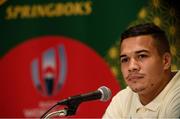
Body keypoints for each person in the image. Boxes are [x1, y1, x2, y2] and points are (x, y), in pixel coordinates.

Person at [103, 23, 180, 118]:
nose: (131, 67)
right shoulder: (122, 100)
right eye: (125, 60)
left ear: (166, 61)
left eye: (142, 56)